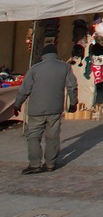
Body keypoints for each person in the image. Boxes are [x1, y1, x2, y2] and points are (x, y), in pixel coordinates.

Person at [15, 43, 78, 174]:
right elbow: (72, 86)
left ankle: (34, 164)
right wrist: (73, 103)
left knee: (33, 136)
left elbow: (24, 89)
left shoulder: (35, 68)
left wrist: (17, 104)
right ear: (56, 54)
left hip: (36, 109)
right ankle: (50, 164)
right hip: (55, 109)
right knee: (52, 137)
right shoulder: (65, 67)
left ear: (43, 55)